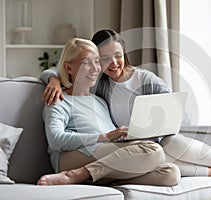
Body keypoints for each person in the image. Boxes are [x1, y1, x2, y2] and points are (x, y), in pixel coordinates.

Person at [39, 30, 211, 188]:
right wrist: (54, 79)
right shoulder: (85, 90)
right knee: (156, 151)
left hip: (133, 146)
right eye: (103, 59)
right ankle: (76, 175)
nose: (109, 64)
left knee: (170, 173)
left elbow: (177, 109)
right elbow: (56, 137)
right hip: (90, 153)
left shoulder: (128, 86)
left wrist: (154, 126)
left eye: (116, 56)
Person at [37, 37, 181, 186]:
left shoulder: (99, 100)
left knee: (170, 173)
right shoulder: (59, 98)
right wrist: (105, 136)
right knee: (153, 150)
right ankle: (75, 175)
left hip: (103, 155)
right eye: (86, 62)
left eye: (97, 61)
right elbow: (55, 140)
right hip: (71, 157)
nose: (95, 68)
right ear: (68, 68)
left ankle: (96, 177)